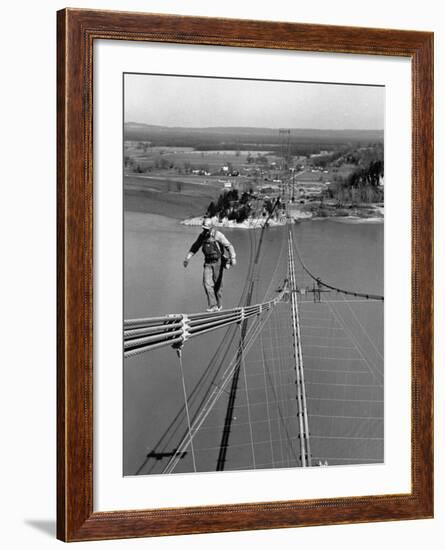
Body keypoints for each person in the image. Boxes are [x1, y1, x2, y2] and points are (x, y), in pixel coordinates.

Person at [183, 218, 236, 312]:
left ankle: (219, 305)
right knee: (207, 284)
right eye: (204, 228)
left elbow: (229, 246)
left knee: (218, 286)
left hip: (218, 263)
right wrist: (188, 258)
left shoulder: (218, 235)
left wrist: (233, 258)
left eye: (206, 229)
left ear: (211, 227)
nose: (205, 230)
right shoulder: (202, 236)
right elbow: (195, 247)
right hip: (207, 263)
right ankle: (213, 305)